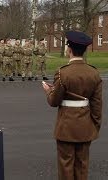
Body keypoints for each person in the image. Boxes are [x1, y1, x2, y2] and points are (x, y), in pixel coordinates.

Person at [42, 31, 102, 180]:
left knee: (66, 166)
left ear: (69, 50)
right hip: (85, 126)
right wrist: (94, 126)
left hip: (66, 127)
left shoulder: (63, 73)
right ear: (84, 50)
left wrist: (49, 91)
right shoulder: (94, 73)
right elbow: (97, 106)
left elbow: (54, 102)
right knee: (82, 166)